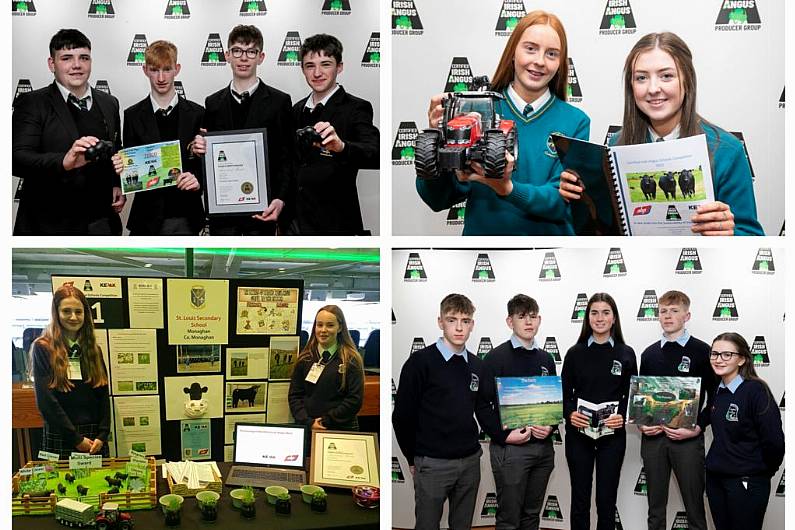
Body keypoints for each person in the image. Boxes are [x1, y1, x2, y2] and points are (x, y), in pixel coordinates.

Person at [559, 32, 764, 236]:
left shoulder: (726, 150)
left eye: (666, 76)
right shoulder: (616, 145)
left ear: (687, 80)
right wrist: (579, 199)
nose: (653, 88)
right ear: (631, 86)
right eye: (641, 78)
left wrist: (729, 233)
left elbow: (752, 236)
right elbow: (605, 231)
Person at [419, 10, 589, 235]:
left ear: (559, 63)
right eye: (530, 48)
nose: (539, 61)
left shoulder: (575, 121)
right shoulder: (477, 110)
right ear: (513, 52)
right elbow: (437, 199)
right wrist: (437, 145)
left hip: (549, 254)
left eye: (551, 54)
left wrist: (508, 189)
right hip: (485, 250)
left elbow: (561, 202)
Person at [12, 28, 125, 235]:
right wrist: (65, 161)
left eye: (84, 57)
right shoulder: (32, 103)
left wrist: (116, 182)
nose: (77, 65)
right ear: (51, 64)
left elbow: (114, 149)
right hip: (50, 224)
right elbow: (16, 158)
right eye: (66, 58)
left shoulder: (110, 103)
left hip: (101, 222)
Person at [392, 294, 489, 530]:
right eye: (451, 319)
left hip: (470, 462)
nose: (458, 327)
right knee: (427, 525)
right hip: (432, 463)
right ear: (440, 322)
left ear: (472, 325)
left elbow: (483, 409)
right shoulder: (419, 362)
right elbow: (402, 415)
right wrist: (411, 456)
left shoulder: (477, 365)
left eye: (465, 321)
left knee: (462, 525)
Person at [191, 24, 295, 235]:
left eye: (251, 51)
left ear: (261, 56)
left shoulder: (279, 102)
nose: (244, 58)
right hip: (223, 216)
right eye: (237, 50)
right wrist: (197, 148)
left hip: (262, 212)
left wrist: (280, 198)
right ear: (228, 55)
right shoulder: (212, 103)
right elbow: (207, 160)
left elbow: (288, 157)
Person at [637, 290, 717, 530]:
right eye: (663, 311)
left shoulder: (703, 351)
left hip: (688, 439)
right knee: (655, 508)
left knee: (694, 507)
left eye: (674, 311)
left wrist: (698, 427)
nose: (668, 316)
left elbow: (715, 397)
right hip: (654, 440)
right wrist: (641, 423)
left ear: (687, 315)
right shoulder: (649, 354)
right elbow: (642, 396)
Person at [478, 294, 557, 530]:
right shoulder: (495, 358)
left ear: (539, 319)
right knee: (509, 518)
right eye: (522, 317)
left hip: (543, 449)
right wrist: (504, 436)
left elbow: (553, 402)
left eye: (533, 316)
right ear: (510, 321)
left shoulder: (546, 358)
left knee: (532, 516)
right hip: (511, 450)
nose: (528, 322)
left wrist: (551, 427)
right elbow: (481, 405)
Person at [111, 40, 205, 235]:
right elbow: (130, 168)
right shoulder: (132, 115)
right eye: (154, 70)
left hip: (187, 215)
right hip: (146, 218)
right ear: (145, 70)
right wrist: (121, 169)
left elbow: (206, 164)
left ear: (177, 69)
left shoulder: (197, 113)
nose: (161, 77)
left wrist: (199, 181)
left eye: (167, 69)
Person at [290, 33, 379, 235]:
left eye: (326, 64)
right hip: (295, 225)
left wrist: (342, 147)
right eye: (310, 65)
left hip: (336, 224)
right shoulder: (295, 110)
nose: (317, 73)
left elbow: (375, 153)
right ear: (303, 69)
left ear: (339, 67)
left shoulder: (356, 108)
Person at [561, 293, 637, 530]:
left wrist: (622, 416)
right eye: (594, 312)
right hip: (579, 435)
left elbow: (632, 394)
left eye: (606, 312)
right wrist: (570, 413)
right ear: (587, 318)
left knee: (606, 499)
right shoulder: (575, 353)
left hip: (611, 436)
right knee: (580, 498)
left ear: (614, 318)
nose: (600, 318)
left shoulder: (626, 353)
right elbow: (563, 394)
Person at [705, 333, 784, 530]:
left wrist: (759, 472)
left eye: (726, 355)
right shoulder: (717, 389)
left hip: (747, 480)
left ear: (741, 359)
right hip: (716, 480)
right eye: (714, 354)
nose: (718, 359)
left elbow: (774, 442)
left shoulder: (756, 391)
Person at [30, 285, 110, 459]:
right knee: (60, 486)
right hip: (62, 434)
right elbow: (46, 402)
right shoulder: (42, 347)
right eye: (66, 311)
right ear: (56, 313)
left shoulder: (94, 350)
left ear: (86, 315)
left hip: (94, 439)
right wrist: (76, 439)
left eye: (78, 312)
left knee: (102, 485)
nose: (73, 317)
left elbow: (103, 394)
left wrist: (102, 435)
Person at [288, 305, 364, 431]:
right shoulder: (304, 359)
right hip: (308, 426)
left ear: (339, 327)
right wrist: (308, 422)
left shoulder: (351, 360)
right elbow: (295, 396)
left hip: (341, 427)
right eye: (319, 325)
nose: (323, 330)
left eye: (329, 325)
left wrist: (325, 421)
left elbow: (354, 400)